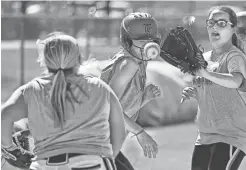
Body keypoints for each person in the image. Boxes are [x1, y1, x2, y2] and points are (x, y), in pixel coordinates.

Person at [1, 32, 126, 170]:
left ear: (44, 59)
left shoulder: (31, 89)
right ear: (79, 59)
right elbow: (119, 131)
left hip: (44, 165)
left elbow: (4, 116)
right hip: (91, 163)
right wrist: (108, 157)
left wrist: (11, 148)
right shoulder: (99, 87)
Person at [181, 6, 246, 170]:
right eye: (211, 23)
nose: (214, 27)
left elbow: (235, 81)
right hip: (206, 134)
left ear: (233, 28)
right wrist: (193, 92)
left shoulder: (234, 56)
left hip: (232, 135)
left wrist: (205, 74)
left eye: (221, 23)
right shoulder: (204, 59)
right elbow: (209, 88)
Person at [99, 12, 162, 170]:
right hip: (98, 141)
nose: (147, 45)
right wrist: (140, 133)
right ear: (127, 41)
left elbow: (122, 106)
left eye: (151, 40)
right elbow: (108, 105)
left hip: (108, 142)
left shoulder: (140, 62)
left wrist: (144, 98)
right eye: (141, 40)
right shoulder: (129, 64)